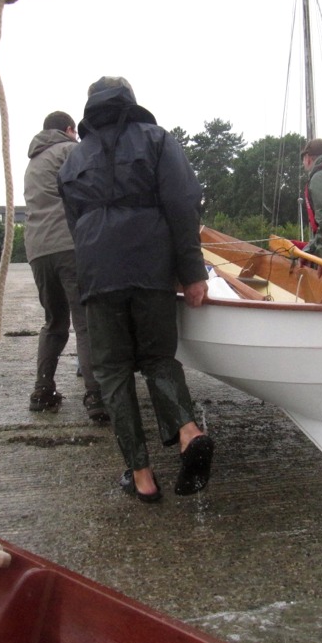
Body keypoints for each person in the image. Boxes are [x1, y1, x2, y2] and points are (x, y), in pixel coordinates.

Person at [58, 76, 212, 503]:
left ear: (90, 109)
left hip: (98, 272)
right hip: (150, 266)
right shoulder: (157, 140)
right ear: (130, 102)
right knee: (159, 358)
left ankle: (142, 476)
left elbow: (75, 224)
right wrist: (192, 271)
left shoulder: (73, 160)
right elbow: (182, 204)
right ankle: (187, 431)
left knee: (111, 371)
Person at [23, 110, 108, 424]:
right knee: (85, 323)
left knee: (54, 323)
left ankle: (42, 391)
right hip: (69, 247)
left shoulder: (33, 162)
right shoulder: (70, 150)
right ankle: (96, 396)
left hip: (37, 250)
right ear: (70, 130)